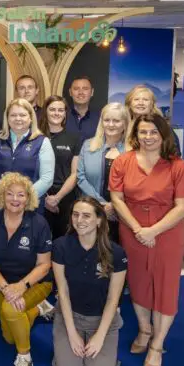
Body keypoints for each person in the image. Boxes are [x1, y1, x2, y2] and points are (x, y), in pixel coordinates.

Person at [109, 113, 184, 366]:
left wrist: (153, 230)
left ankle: (157, 344)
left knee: (165, 286)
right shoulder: (122, 161)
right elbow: (117, 199)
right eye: (143, 132)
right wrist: (138, 229)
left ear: (163, 135)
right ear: (135, 134)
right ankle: (145, 330)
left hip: (167, 231)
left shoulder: (178, 166)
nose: (148, 137)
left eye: (153, 132)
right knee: (138, 282)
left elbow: (182, 207)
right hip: (132, 228)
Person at [0, 172, 53, 366]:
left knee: (11, 311)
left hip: (36, 282)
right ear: (2, 195)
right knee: (9, 337)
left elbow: (44, 265)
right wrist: (6, 288)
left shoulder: (39, 223)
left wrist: (22, 286)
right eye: (10, 194)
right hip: (4, 285)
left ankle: (25, 358)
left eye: (21, 195)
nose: (15, 199)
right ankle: (37, 309)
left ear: (28, 198)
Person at [51, 196, 127, 366]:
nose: (79, 220)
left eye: (86, 216)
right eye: (75, 215)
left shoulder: (116, 253)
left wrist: (100, 335)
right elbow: (63, 292)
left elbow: (113, 299)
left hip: (101, 320)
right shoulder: (60, 246)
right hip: (70, 316)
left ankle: (105, 360)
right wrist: (72, 333)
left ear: (99, 220)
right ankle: (67, 350)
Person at [0, 98, 55, 205]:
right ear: (7, 118)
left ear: (31, 118)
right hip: (0, 204)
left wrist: (23, 199)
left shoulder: (42, 141)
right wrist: (1, 197)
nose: (18, 118)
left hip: (30, 205)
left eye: (22, 115)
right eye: (13, 115)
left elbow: (47, 179)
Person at [77, 103, 130, 242]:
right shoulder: (88, 145)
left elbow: (134, 183)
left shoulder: (133, 150)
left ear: (125, 123)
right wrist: (101, 204)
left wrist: (114, 205)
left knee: (116, 250)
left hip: (123, 213)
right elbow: (81, 177)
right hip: (92, 210)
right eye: (107, 120)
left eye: (116, 121)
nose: (111, 125)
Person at [39, 95, 80, 239]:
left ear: (65, 113)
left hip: (65, 197)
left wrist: (57, 198)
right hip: (39, 196)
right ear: (45, 111)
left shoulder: (74, 138)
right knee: (39, 241)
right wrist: (45, 198)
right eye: (52, 109)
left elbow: (75, 173)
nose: (56, 113)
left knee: (62, 241)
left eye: (60, 110)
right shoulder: (36, 136)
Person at [124, 85, 181, 154]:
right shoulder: (122, 126)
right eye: (136, 99)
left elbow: (175, 153)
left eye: (145, 100)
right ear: (129, 104)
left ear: (152, 104)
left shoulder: (163, 127)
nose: (141, 103)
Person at [66, 76, 101, 142]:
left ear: (92, 92)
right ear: (70, 92)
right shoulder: (61, 116)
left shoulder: (100, 118)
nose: (81, 92)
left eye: (85, 89)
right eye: (76, 89)